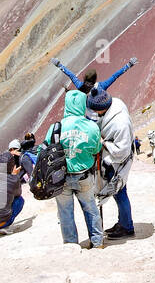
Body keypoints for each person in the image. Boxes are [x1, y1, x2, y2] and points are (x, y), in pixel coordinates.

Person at [53, 89, 105, 248]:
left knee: (65, 212)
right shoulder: (91, 127)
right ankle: (97, 242)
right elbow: (97, 149)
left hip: (61, 179)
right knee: (91, 209)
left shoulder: (57, 127)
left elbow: (47, 150)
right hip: (84, 176)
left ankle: (70, 244)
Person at [89, 88, 135, 240]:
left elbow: (122, 150)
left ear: (102, 108)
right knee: (118, 193)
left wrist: (104, 143)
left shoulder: (119, 123)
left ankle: (127, 226)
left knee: (120, 192)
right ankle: (123, 222)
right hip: (112, 161)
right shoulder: (115, 105)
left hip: (116, 163)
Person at [52, 56, 138, 93]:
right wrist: (128, 65)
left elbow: (71, 75)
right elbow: (115, 76)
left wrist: (60, 65)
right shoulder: (102, 86)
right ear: (94, 80)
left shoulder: (80, 86)